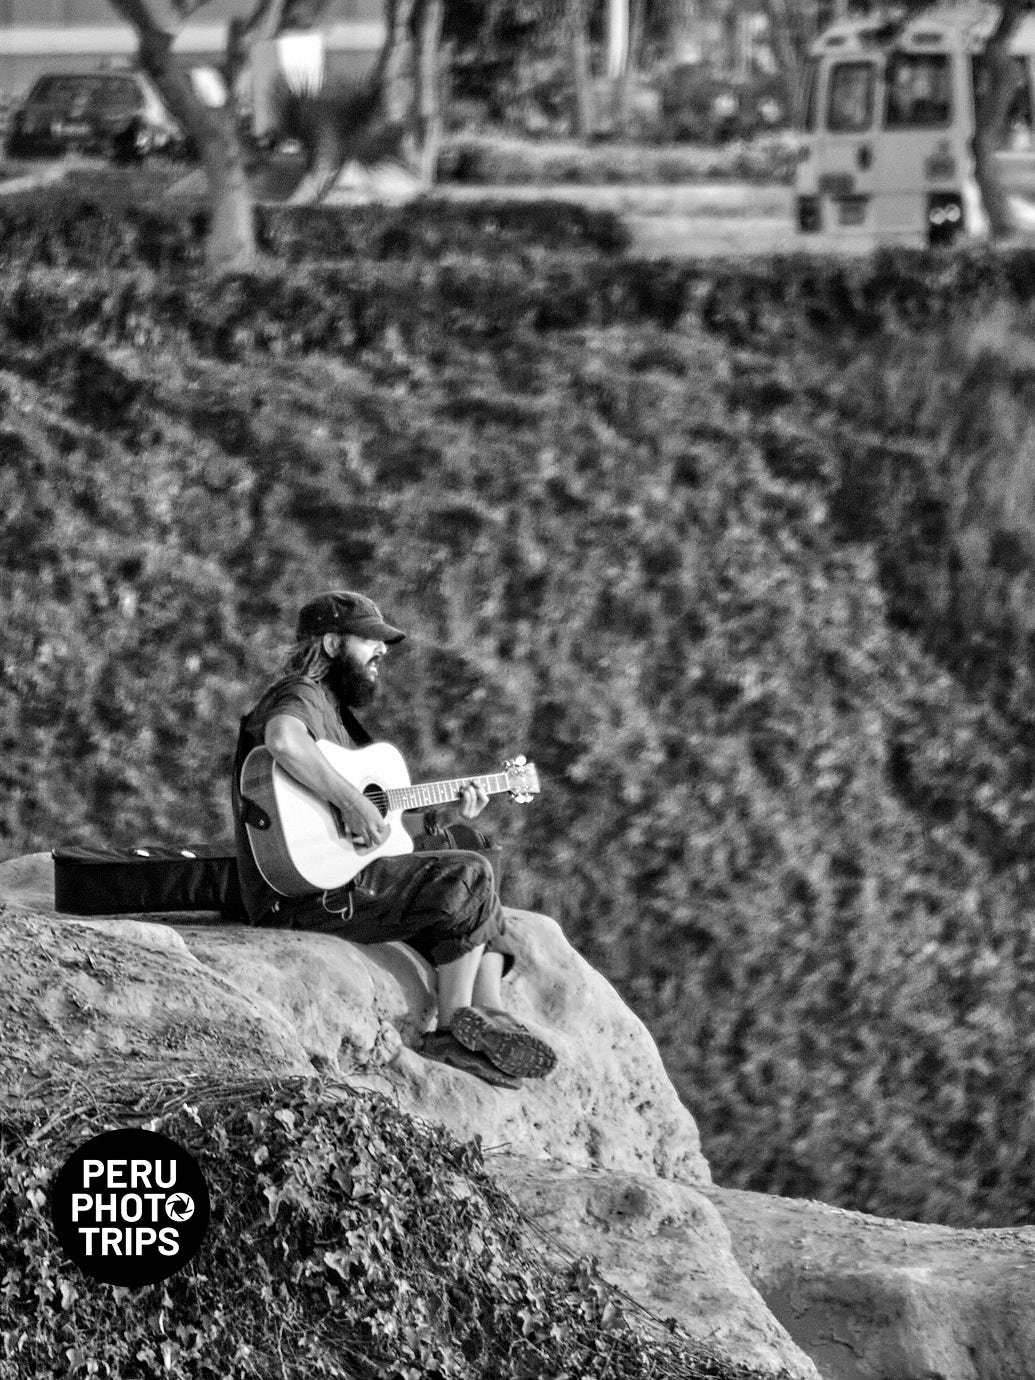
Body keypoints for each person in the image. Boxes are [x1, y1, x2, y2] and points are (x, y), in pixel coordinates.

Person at [232, 589, 557, 1089]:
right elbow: (283, 742)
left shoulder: (335, 715)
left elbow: (378, 820)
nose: (382, 652)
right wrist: (353, 802)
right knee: (468, 872)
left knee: (467, 850)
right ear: (334, 644)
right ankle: (454, 1029)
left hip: (336, 880)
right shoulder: (299, 695)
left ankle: (486, 1017)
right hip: (308, 896)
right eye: (371, 642)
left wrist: (433, 812)